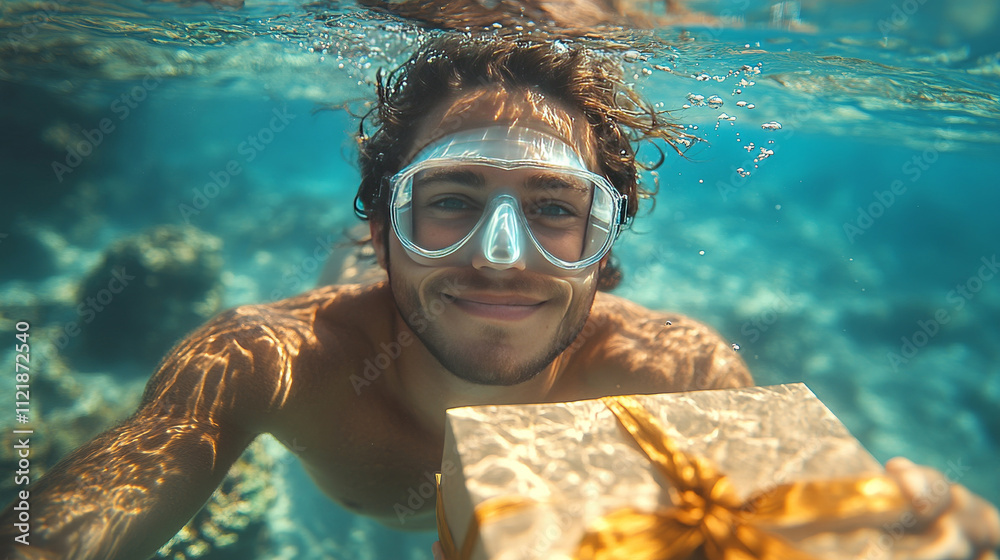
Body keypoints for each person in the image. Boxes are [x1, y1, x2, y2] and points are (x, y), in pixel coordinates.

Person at [2, 35, 998, 560]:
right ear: (385, 215)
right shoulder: (267, 359)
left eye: (557, 211)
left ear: (606, 246)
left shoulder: (675, 373)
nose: (502, 259)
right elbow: (66, 527)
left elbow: (796, 528)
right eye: (448, 201)